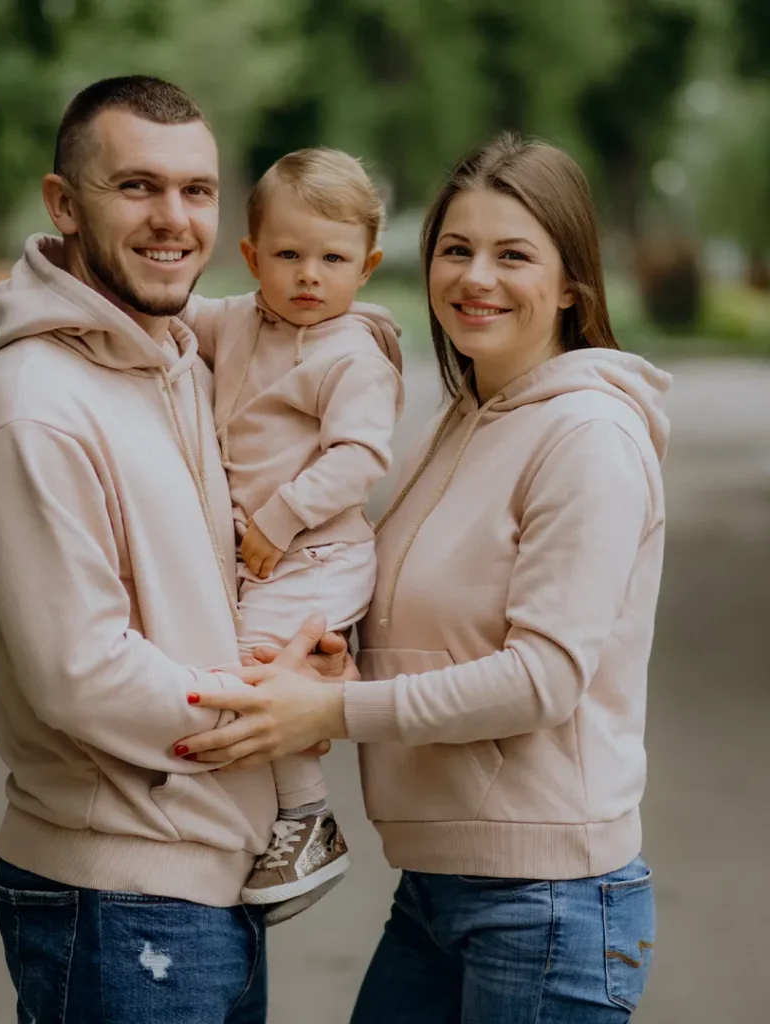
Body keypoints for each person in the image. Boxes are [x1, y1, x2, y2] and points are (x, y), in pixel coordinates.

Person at [176, 132, 671, 1022]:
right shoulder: (460, 423)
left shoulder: (588, 439)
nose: (476, 277)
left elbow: (542, 680)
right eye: (456, 249)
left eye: (512, 255)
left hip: (548, 903)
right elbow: (432, 628)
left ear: (571, 284)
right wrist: (340, 668)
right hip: (438, 890)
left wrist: (333, 714)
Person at [0, 74, 319, 1024]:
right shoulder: (32, 407)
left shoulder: (177, 364)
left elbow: (207, 591)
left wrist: (300, 661)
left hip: (211, 886)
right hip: (115, 901)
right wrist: (267, 712)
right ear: (64, 204)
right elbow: (82, 673)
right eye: (137, 187)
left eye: (197, 190)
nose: (173, 219)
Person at [181, 148, 403, 925]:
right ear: (252, 258)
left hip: (319, 555)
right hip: (267, 560)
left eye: (333, 259)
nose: (310, 276)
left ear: (366, 267)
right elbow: (164, 311)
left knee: (255, 672)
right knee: (244, 661)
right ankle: (276, 806)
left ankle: (308, 820)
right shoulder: (237, 320)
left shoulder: (352, 356)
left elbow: (359, 457)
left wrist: (279, 517)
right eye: (288, 256)